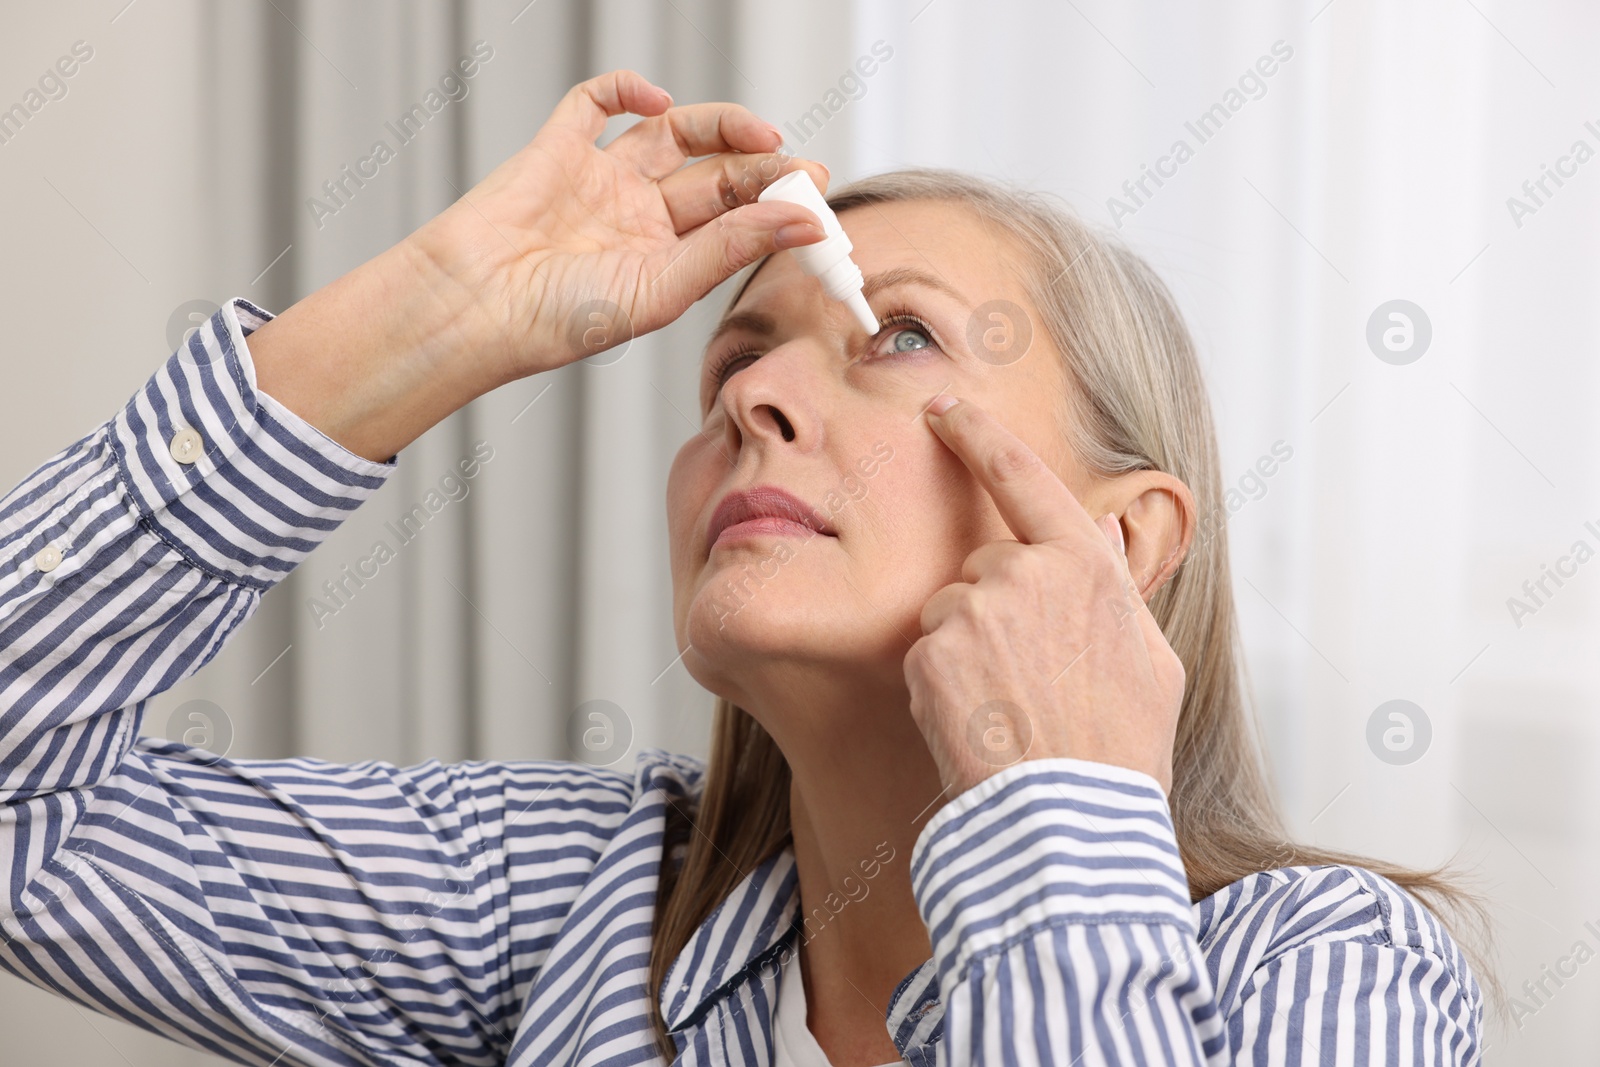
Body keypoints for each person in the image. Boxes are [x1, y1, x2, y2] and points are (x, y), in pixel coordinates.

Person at [0, 69, 1483, 1066]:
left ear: (1124, 541)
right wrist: (431, 321)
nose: (749, 401)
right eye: (737, 353)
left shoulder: (1334, 974)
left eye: (897, 336)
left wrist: (1056, 819)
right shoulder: (580, 906)